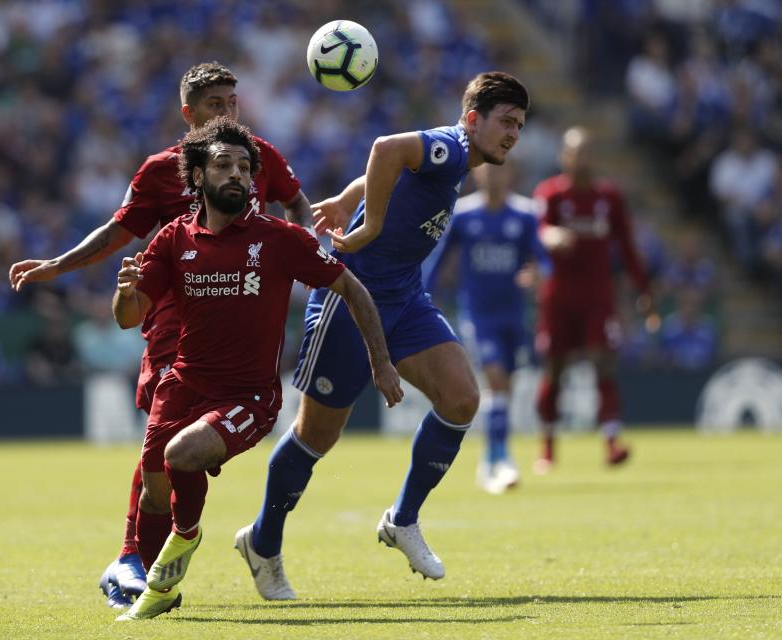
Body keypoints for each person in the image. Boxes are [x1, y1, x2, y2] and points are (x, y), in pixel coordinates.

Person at [7, 62, 312, 608]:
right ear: (188, 114)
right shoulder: (161, 171)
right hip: (176, 325)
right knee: (164, 442)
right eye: (214, 104)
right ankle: (135, 559)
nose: (226, 112)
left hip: (241, 319)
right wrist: (58, 266)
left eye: (231, 102)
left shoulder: (254, 155)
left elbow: (294, 202)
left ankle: (145, 558)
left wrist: (307, 243)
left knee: (180, 449)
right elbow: (118, 231)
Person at [235, 71, 529, 599]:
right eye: (505, 122)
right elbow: (386, 147)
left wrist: (350, 200)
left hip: (404, 298)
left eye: (519, 126)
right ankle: (263, 541)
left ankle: (403, 519)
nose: (512, 133)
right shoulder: (453, 148)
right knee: (317, 435)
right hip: (351, 296)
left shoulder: (460, 155)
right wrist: (365, 226)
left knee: (461, 399)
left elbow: (395, 170)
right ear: (472, 120)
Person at [112, 117, 402, 620]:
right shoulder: (174, 240)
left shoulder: (279, 238)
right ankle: (158, 596)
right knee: (154, 496)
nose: (237, 175)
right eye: (223, 165)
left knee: (183, 455)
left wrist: (382, 362)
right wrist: (123, 291)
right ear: (198, 177)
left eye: (245, 167)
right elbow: (129, 316)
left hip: (249, 396)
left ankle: (186, 540)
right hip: (180, 385)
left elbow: (352, 289)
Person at [532, 126, 653, 473]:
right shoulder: (550, 194)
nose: (581, 158)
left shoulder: (609, 197)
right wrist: (550, 235)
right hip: (559, 296)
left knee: (603, 361)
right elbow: (535, 231)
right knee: (556, 369)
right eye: (575, 151)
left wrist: (643, 290)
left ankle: (612, 441)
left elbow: (627, 247)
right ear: (563, 157)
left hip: (598, 296)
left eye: (587, 151)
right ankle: (548, 445)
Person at [424, 162, 549, 494]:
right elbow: (438, 262)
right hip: (478, 316)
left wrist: (538, 273)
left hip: (513, 315)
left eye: (501, 171)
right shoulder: (464, 215)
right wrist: (423, 293)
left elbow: (540, 256)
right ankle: (501, 458)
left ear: (511, 175)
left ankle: (490, 460)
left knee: (504, 388)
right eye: (489, 171)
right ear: (478, 175)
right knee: (495, 380)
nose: (494, 176)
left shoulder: (524, 214)